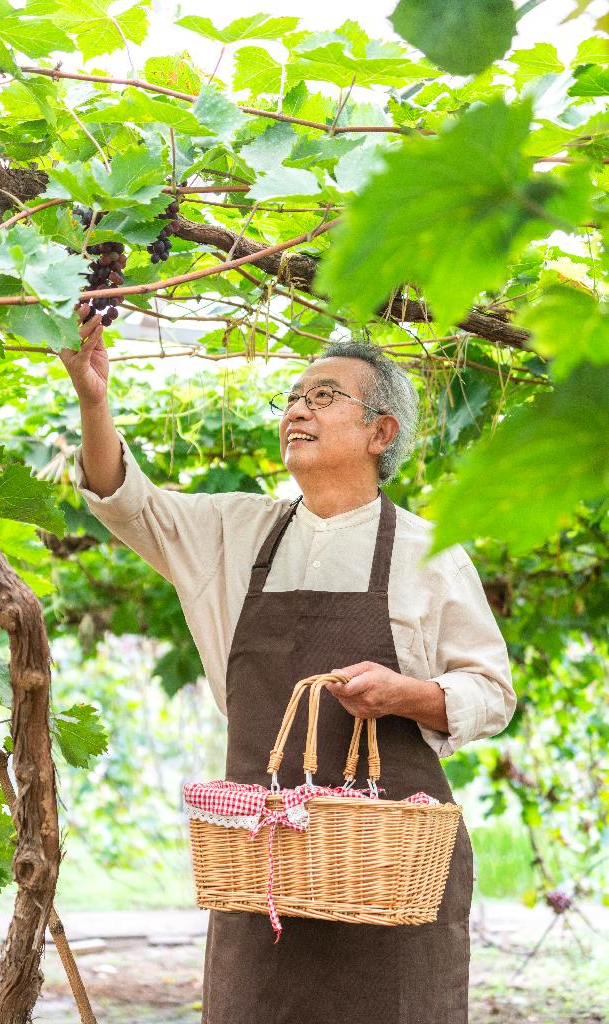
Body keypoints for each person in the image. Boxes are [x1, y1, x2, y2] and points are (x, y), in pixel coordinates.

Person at [60, 303, 516, 1024]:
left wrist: (409, 693)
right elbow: (126, 503)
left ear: (380, 432)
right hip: (262, 862)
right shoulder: (235, 531)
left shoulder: (429, 551)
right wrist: (94, 399)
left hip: (388, 866)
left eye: (323, 396)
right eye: (293, 397)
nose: (297, 409)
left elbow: (490, 691)